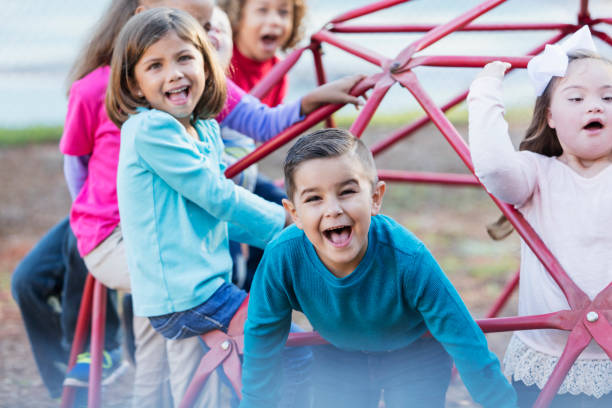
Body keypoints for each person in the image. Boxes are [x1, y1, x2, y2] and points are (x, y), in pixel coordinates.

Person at [106, 8, 318, 406]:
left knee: (266, 357)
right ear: (134, 85)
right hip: (184, 295)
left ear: (207, 63)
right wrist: (287, 222)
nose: (174, 73)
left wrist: (284, 234)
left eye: (185, 58)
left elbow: (220, 211)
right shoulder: (151, 130)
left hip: (205, 288)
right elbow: (217, 195)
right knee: (292, 349)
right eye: (155, 65)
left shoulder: (203, 128)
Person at [240, 128, 518, 408]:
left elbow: (463, 337)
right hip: (339, 355)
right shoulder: (283, 258)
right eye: (314, 198)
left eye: (347, 191)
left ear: (375, 197)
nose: (333, 209)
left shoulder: (407, 257)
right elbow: (262, 340)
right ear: (295, 212)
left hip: (414, 353)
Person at [467, 26, 612, 407]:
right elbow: (495, 169)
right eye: (576, 98)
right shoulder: (536, 174)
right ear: (550, 117)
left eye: (609, 97)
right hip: (545, 358)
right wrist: (485, 92)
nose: (594, 106)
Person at [10, 217, 122, 399]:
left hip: (110, 213)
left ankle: (104, 349)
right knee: (26, 282)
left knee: (83, 243)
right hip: (82, 208)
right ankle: (64, 377)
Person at [218, 0, 306, 107]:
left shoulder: (279, 71)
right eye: (262, 10)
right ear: (237, 15)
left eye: (283, 12)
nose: (275, 21)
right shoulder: (220, 62)